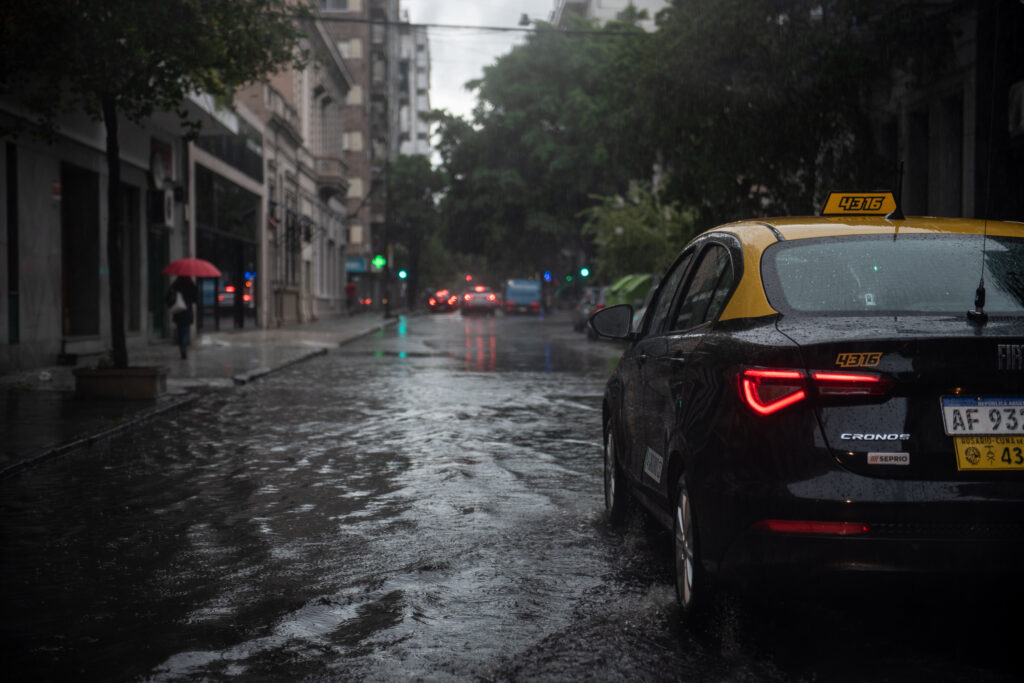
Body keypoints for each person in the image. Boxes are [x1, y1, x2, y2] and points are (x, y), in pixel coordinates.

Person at [166, 275, 198, 359]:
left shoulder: (176, 284)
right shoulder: (190, 285)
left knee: (181, 331)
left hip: (178, 312)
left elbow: (167, 297)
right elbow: (195, 298)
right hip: (187, 312)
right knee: (185, 331)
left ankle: (182, 348)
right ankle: (184, 348)